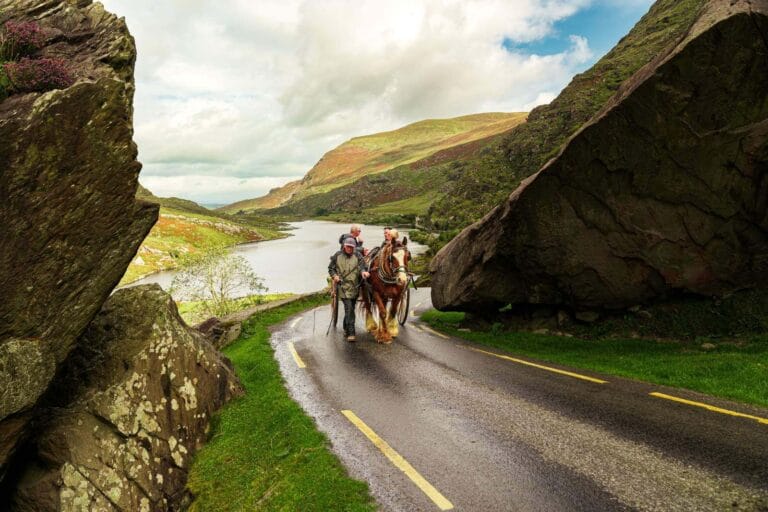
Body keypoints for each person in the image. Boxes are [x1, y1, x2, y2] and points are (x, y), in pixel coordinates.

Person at [328, 237, 370, 341]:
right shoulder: (337, 255)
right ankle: (351, 333)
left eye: (351, 247)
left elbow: (363, 266)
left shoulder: (358, 255)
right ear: (344, 246)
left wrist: (364, 272)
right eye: (348, 247)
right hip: (343, 287)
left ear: (354, 247)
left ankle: (345, 328)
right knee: (349, 308)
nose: (349, 249)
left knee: (350, 309)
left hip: (355, 287)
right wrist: (335, 276)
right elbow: (331, 268)